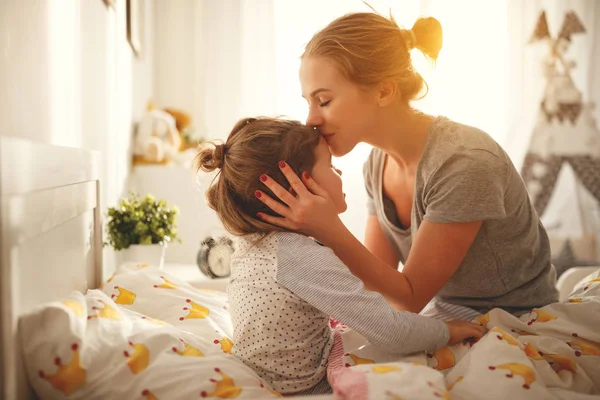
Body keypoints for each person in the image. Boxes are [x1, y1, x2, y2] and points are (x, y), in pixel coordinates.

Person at [254, 12, 559, 320]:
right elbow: (377, 283)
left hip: (516, 319)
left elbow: (410, 296)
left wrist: (329, 228)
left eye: (324, 101)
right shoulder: (376, 164)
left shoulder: (464, 161)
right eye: (308, 102)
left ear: (384, 91)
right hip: (446, 312)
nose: (311, 120)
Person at [196, 117, 483, 396]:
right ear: (300, 187)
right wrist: (446, 331)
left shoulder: (254, 245)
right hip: (306, 389)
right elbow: (393, 332)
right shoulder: (299, 257)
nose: (340, 173)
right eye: (331, 166)